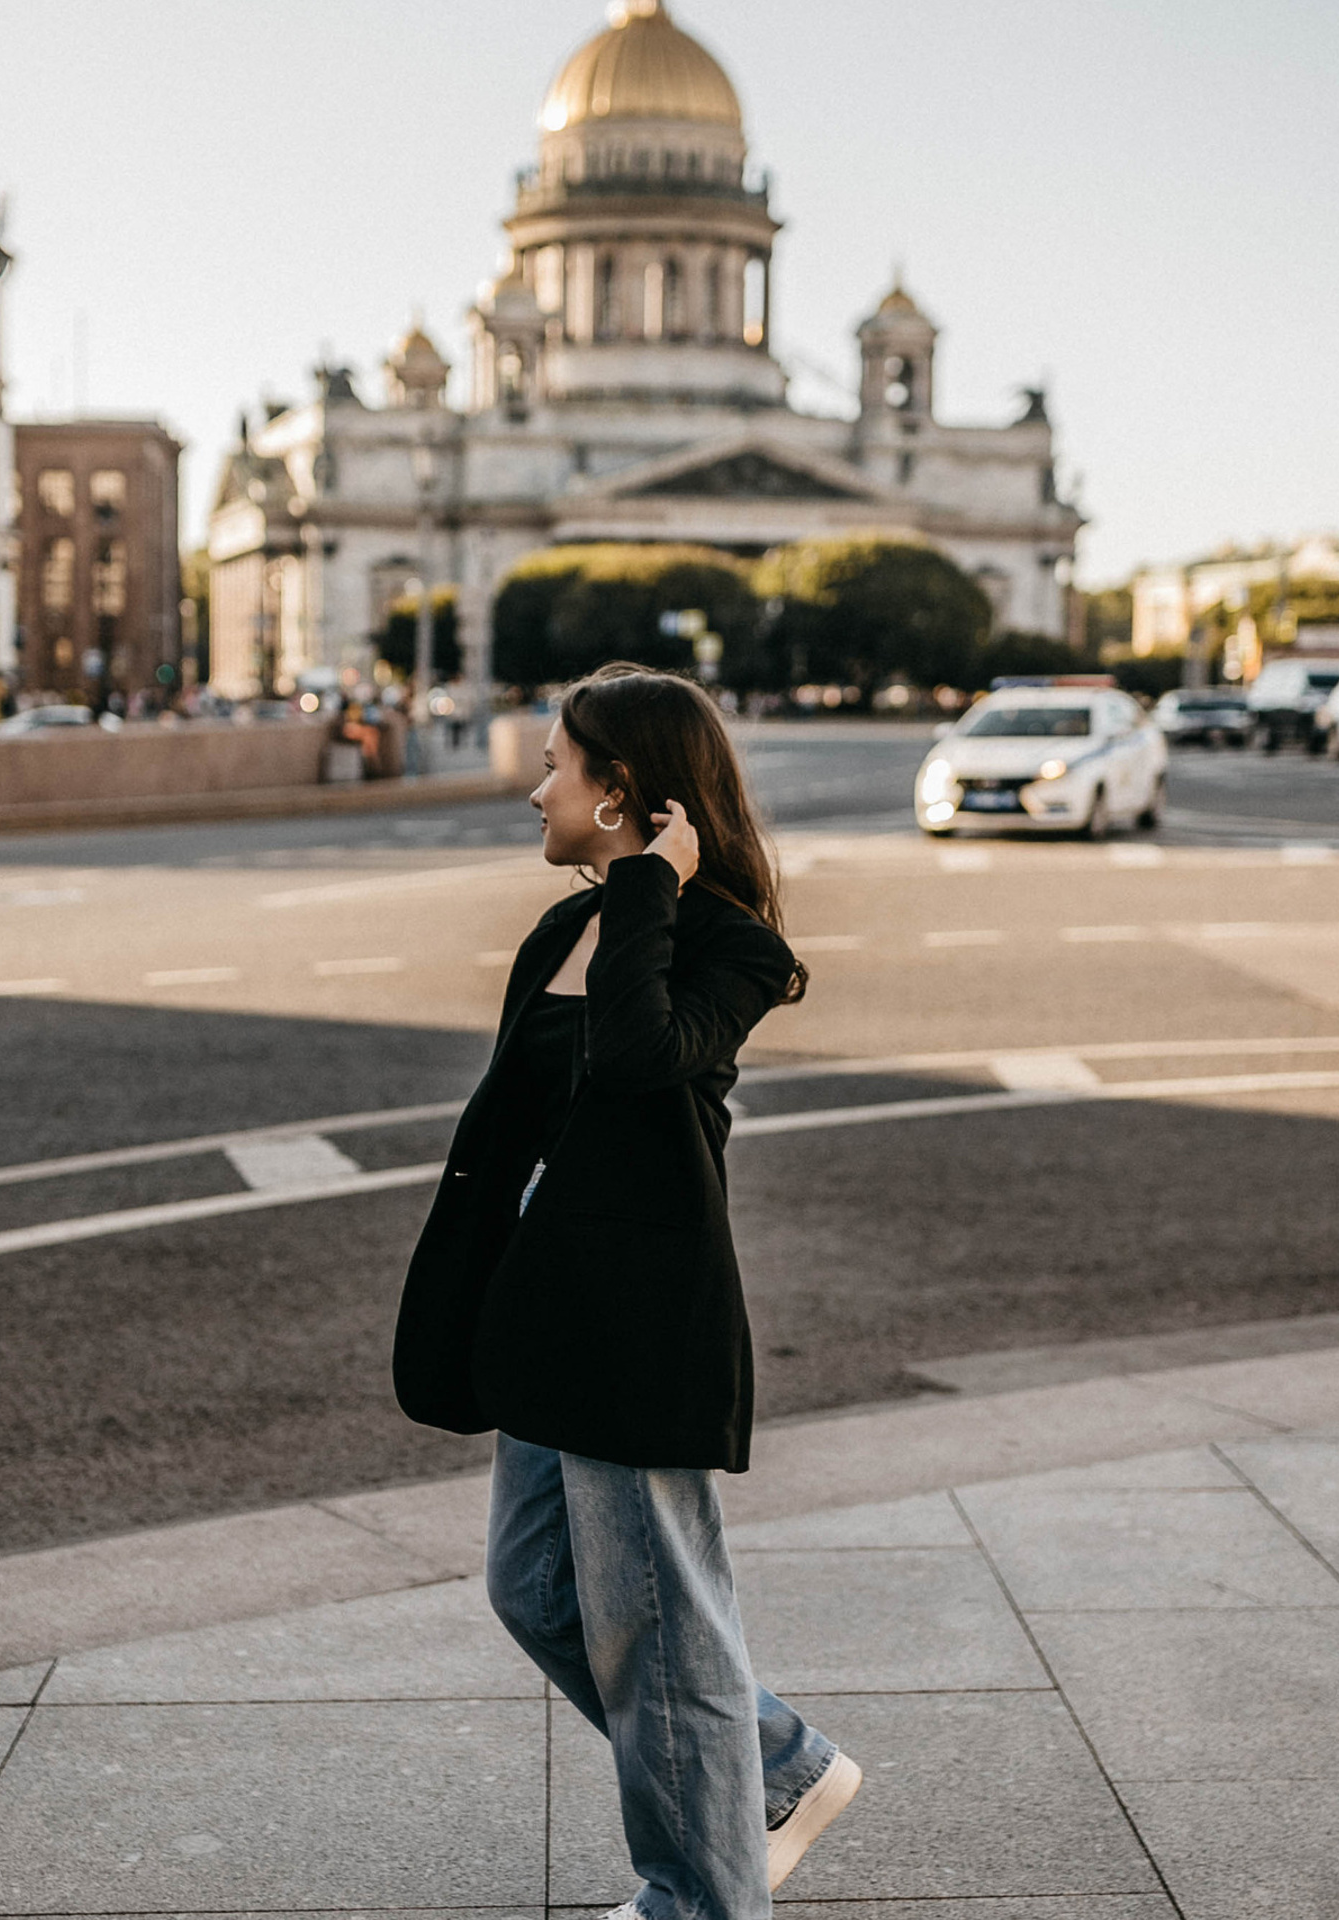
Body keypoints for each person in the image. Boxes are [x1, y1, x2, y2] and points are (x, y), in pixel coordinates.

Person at [393, 663, 861, 1919]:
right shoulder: (564, 928)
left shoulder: (732, 946)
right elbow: (517, 1121)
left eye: (556, 766)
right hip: (545, 1304)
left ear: (622, 794)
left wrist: (654, 882)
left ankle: (701, 1899)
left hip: (638, 1321)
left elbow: (645, 1058)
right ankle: (774, 1770)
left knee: (661, 1629)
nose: (535, 790)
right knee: (538, 1590)